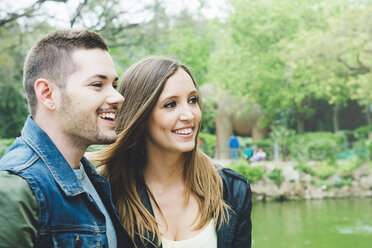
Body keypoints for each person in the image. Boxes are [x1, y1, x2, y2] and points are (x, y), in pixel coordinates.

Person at [90, 57, 252, 248]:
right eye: (170, 104)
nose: (189, 115)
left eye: (192, 100)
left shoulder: (232, 190)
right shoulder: (105, 193)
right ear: (140, 115)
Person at [0, 29, 134, 247]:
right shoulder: (17, 189)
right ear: (47, 94)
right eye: (97, 84)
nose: (118, 97)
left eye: (114, 85)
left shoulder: (94, 178)